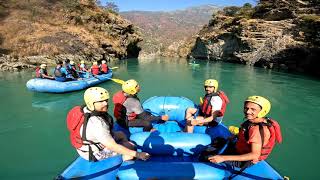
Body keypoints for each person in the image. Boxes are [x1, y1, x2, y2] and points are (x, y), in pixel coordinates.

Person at [66, 87, 150, 162]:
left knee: (121, 134)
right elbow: (112, 146)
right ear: (91, 103)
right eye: (101, 101)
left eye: (106, 100)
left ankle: (124, 144)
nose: (106, 103)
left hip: (87, 144)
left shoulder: (81, 110)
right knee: (130, 147)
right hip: (93, 153)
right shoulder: (97, 124)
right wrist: (137, 154)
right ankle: (127, 163)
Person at [207, 96, 282, 169]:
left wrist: (223, 158)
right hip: (240, 149)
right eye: (246, 108)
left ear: (262, 111)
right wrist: (236, 136)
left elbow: (254, 155)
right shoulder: (254, 120)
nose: (248, 111)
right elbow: (246, 133)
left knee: (208, 158)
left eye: (253, 109)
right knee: (219, 140)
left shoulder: (256, 130)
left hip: (245, 160)